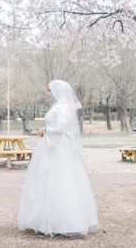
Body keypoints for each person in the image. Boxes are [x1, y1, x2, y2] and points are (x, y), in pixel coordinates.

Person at [18, 79, 99, 236]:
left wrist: (45, 131)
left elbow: (60, 128)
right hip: (55, 146)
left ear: (56, 91)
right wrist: (46, 129)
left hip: (57, 148)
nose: (48, 93)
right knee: (52, 180)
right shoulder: (62, 107)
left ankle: (61, 221)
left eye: (49, 90)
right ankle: (47, 218)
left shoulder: (61, 108)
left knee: (58, 180)